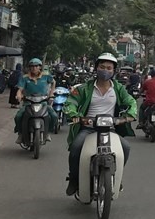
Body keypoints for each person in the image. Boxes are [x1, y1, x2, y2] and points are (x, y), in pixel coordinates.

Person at [63, 53, 137, 197]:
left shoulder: (119, 89)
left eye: (109, 68)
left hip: (110, 128)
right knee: (76, 148)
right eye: (102, 67)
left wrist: (128, 116)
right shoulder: (84, 88)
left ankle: (116, 177)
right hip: (88, 128)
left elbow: (131, 102)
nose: (105, 70)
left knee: (126, 147)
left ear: (114, 71)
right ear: (96, 68)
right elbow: (71, 102)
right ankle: (73, 179)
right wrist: (75, 115)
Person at [14, 59, 56, 144]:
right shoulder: (25, 77)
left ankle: (48, 132)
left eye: (36, 66)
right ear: (29, 68)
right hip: (28, 102)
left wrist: (51, 93)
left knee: (54, 116)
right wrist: (18, 95)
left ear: (40, 67)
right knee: (18, 116)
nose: (34, 68)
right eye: (32, 66)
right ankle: (20, 134)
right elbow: (20, 89)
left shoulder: (45, 76)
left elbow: (53, 82)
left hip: (43, 102)